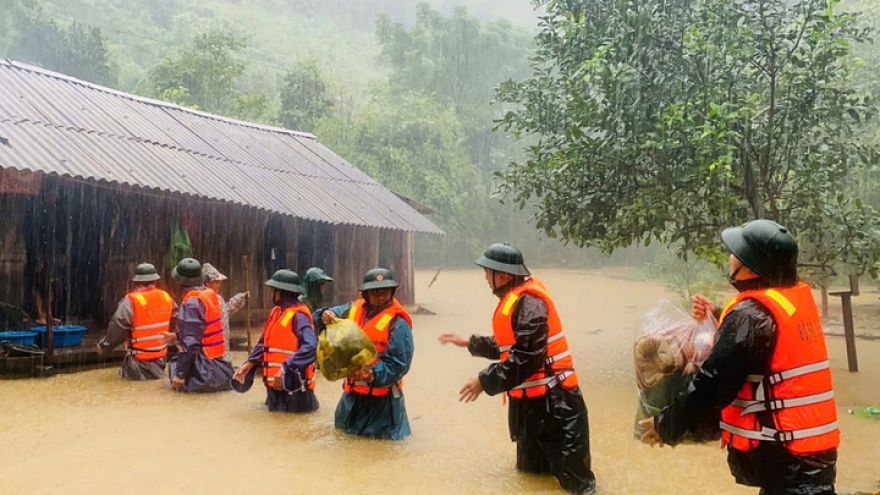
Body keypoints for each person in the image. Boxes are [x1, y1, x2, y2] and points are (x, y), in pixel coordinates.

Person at [639, 220, 839, 495]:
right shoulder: (789, 302)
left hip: (787, 454)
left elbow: (712, 385)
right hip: (811, 450)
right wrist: (719, 314)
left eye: (737, 254)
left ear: (751, 267)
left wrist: (667, 424)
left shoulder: (748, 316)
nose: (731, 258)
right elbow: (762, 338)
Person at [440, 243, 596, 495]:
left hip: (557, 406)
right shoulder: (516, 302)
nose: (485, 279)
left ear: (502, 275)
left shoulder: (531, 304)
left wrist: (484, 380)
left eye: (487, 272)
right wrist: (470, 342)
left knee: (575, 484)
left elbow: (526, 357)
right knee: (531, 479)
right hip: (531, 408)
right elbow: (509, 346)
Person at [314, 268, 414, 440]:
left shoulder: (398, 323)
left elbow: (399, 364)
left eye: (385, 292)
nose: (381, 297)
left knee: (382, 451)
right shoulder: (352, 309)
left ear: (392, 292)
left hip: (383, 404)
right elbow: (324, 316)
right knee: (344, 442)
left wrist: (372, 374)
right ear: (366, 294)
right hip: (352, 399)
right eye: (375, 293)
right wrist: (323, 314)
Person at [232, 270, 319, 413]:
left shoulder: (299, 315)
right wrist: (250, 363)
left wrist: (286, 367)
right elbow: (264, 343)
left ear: (283, 292)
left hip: (295, 391)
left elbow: (310, 347)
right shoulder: (277, 312)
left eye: (273, 290)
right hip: (275, 388)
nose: (271, 293)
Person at [97, 263, 176, 380]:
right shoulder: (166, 297)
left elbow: (118, 325)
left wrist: (105, 346)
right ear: (155, 280)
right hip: (160, 359)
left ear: (136, 281)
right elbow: (180, 321)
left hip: (138, 361)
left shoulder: (131, 301)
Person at [168, 258, 234, 393]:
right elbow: (202, 329)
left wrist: (180, 374)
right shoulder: (210, 294)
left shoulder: (192, 302)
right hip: (218, 363)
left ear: (180, 282)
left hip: (203, 366)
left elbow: (191, 341)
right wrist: (175, 336)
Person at [201, 263, 249, 361]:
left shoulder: (218, 299)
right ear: (208, 283)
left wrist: (240, 298)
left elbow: (225, 312)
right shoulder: (201, 300)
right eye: (217, 282)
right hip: (209, 353)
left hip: (222, 350)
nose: (219, 285)